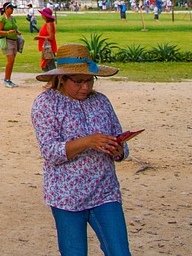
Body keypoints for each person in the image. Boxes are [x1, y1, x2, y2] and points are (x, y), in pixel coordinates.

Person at [30, 43, 131, 256]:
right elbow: (50, 152)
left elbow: (120, 143)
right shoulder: (46, 104)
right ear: (61, 79)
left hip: (105, 191)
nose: (85, 87)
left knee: (120, 252)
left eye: (89, 80)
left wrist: (118, 150)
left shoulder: (101, 101)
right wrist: (88, 142)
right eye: (77, 81)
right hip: (67, 196)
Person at [0, 2, 20, 87]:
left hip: (14, 40)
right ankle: (6, 79)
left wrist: (17, 32)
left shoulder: (12, 18)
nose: (12, 10)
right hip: (6, 40)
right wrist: (7, 32)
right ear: (6, 9)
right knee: (10, 60)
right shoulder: (2, 19)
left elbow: (15, 27)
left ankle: (9, 79)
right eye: (11, 8)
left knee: (12, 60)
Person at [37, 7, 58, 72]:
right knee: (46, 65)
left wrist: (40, 37)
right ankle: (51, 80)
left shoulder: (49, 24)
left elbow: (51, 37)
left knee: (49, 65)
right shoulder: (47, 24)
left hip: (48, 48)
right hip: (46, 47)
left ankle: (54, 80)